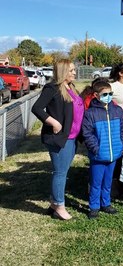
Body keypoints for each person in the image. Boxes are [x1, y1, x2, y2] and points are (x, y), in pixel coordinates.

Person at [31, 59, 84, 220]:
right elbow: (37, 108)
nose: (74, 72)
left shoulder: (71, 87)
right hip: (60, 138)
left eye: (74, 70)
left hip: (73, 137)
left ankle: (54, 204)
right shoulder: (52, 88)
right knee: (60, 173)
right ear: (62, 71)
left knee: (63, 171)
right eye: (71, 70)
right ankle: (59, 206)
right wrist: (52, 121)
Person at [82, 80, 123, 219]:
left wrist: (122, 144)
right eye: (105, 94)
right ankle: (94, 206)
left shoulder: (117, 110)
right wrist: (96, 148)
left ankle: (105, 203)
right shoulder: (91, 113)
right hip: (99, 155)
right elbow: (87, 133)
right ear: (96, 95)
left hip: (113, 154)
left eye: (110, 94)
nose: (109, 96)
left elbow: (122, 129)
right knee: (96, 183)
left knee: (107, 181)